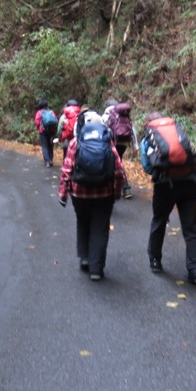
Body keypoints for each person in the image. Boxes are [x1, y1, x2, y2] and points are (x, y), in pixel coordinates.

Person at [140, 111, 196, 287]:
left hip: (165, 185)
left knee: (159, 220)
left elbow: (147, 166)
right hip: (190, 183)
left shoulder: (149, 137)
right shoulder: (178, 130)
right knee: (190, 226)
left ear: (148, 122)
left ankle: (155, 261)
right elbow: (192, 154)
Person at [58, 110, 125, 282]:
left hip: (79, 194)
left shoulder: (75, 143)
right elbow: (119, 171)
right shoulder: (107, 143)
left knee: (83, 222)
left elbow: (66, 171)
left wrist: (63, 194)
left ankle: (85, 258)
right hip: (104, 194)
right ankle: (96, 269)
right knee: (100, 229)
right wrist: (117, 192)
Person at [102, 98, 139, 199]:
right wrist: (135, 146)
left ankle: (124, 188)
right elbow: (132, 129)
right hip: (124, 142)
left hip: (113, 142)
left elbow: (103, 129)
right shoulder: (124, 114)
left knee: (114, 164)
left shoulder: (107, 115)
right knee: (119, 162)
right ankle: (123, 188)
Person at [33, 99, 57, 168]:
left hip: (42, 131)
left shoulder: (39, 112)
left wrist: (39, 128)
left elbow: (37, 122)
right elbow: (56, 120)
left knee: (44, 146)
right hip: (51, 131)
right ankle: (51, 160)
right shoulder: (51, 112)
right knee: (50, 145)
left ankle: (47, 162)